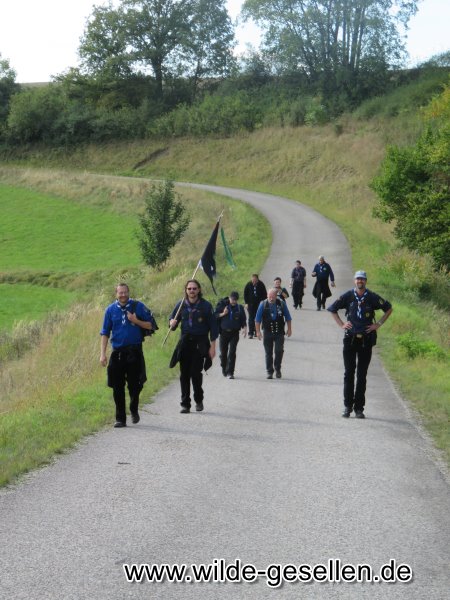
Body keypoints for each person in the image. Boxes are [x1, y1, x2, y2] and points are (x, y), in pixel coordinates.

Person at [328, 270, 393, 418]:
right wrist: (342, 324)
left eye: (362, 279)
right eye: (358, 279)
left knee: (362, 375)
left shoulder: (372, 297)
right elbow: (333, 309)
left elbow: (388, 308)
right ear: (354, 281)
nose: (360, 281)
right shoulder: (348, 296)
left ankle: (359, 409)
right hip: (350, 339)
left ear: (366, 281)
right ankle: (347, 406)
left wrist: (378, 324)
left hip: (366, 340)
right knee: (348, 373)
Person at [100, 283, 158, 428]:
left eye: (125, 292)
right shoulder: (110, 310)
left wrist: (135, 320)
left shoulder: (138, 306)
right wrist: (102, 354)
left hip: (134, 352)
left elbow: (151, 325)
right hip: (117, 353)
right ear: (116, 294)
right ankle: (120, 418)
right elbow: (105, 332)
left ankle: (133, 408)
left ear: (128, 292)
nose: (123, 295)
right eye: (120, 293)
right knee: (117, 387)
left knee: (135, 385)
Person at [169, 279, 218, 413]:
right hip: (185, 343)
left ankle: (198, 399)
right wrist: (172, 323)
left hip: (200, 344)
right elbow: (172, 322)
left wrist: (213, 347)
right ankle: (185, 404)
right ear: (186, 290)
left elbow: (213, 327)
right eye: (189, 288)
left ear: (199, 290)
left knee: (195, 373)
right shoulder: (181, 305)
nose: (192, 291)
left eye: (194, 288)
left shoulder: (206, 306)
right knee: (184, 375)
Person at [255, 288, 292, 379]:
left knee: (279, 351)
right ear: (267, 296)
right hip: (267, 332)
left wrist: (289, 329)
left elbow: (288, 317)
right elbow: (257, 319)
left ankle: (278, 369)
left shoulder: (281, 303)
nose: (271, 299)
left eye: (273, 297)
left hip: (279, 332)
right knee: (268, 352)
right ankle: (269, 371)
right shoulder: (263, 304)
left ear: (276, 296)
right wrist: (258, 331)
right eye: (269, 297)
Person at [215, 291, 247, 379]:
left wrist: (244, 328)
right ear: (229, 298)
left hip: (234, 333)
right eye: (232, 299)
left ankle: (230, 372)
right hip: (223, 333)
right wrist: (223, 313)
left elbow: (243, 319)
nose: (233, 301)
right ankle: (224, 367)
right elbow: (215, 315)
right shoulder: (222, 306)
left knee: (232, 353)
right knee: (223, 353)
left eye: (235, 300)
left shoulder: (239, 308)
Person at [244, 274, 267, 339]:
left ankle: (256, 331)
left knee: (258, 318)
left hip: (259, 304)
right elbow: (245, 294)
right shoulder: (248, 284)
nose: (253, 282)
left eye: (255, 280)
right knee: (251, 318)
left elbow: (264, 294)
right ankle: (250, 333)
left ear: (257, 279)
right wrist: (246, 303)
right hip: (250, 304)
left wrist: (263, 303)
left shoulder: (261, 284)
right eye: (252, 280)